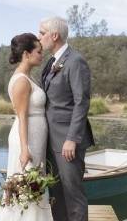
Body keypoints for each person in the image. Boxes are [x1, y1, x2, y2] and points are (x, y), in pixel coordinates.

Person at [38, 17, 95, 221]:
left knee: (73, 194)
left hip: (67, 141)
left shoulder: (75, 61)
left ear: (54, 35)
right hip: (50, 140)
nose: (39, 37)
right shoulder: (51, 62)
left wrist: (72, 139)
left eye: (41, 33)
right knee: (56, 194)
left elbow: (82, 102)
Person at [0, 33, 53, 221]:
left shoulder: (29, 77)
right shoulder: (21, 80)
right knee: (26, 187)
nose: (41, 55)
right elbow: (21, 117)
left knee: (35, 186)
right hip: (26, 139)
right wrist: (25, 149)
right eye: (38, 51)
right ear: (26, 54)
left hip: (36, 138)